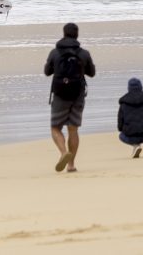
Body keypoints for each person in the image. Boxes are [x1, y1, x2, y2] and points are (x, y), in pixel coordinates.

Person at [44, 23, 96, 173]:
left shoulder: (55, 52)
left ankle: (63, 152)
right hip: (77, 95)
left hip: (60, 94)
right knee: (73, 129)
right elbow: (91, 73)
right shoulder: (83, 53)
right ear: (77, 34)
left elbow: (47, 72)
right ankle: (71, 165)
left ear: (64, 34)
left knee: (55, 128)